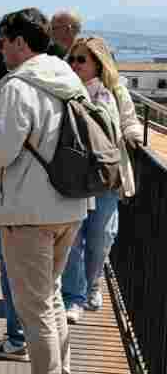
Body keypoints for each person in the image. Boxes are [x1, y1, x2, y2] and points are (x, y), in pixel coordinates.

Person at [0, 7, 89, 374]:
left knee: (34, 307)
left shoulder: (19, 86)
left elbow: (1, 151)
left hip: (28, 211)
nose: (0, 51)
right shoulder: (67, 78)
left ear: (20, 42)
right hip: (69, 204)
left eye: (2, 43)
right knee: (50, 299)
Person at [59, 36, 142, 322]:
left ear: (98, 62)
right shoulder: (66, 90)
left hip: (107, 176)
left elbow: (129, 120)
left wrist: (133, 134)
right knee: (72, 241)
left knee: (101, 237)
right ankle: (74, 296)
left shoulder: (115, 92)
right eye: (72, 59)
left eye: (81, 59)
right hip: (75, 176)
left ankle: (93, 283)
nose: (75, 64)